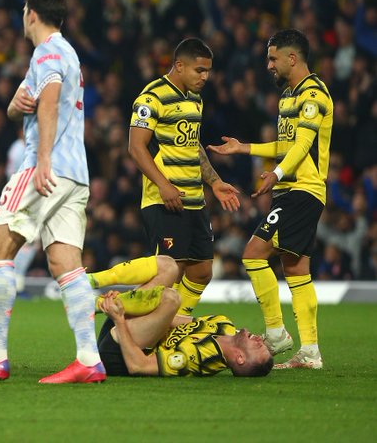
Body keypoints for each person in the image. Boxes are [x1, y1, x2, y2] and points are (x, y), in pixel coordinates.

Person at [0, 0, 103, 384]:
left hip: (43, 168)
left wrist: (43, 159)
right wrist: (14, 107)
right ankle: (88, 358)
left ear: (30, 13)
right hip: (75, 174)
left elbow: (48, 100)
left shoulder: (45, 52)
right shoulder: (67, 53)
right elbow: (27, 104)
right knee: (65, 263)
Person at [207, 28, 333, 370]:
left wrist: (276, 174)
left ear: (292, 58)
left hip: (302, 190)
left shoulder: (313, 93)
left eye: (273, 58)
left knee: (253, 253)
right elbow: (285, 145)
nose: (269, 65)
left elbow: (304, 145)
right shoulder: (288, 96)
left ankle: (276, 333)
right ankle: (310, 351)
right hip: (289, 190)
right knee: (295, 269)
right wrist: (244, 148)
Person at [118, 38, 240, 318]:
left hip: (194, 200)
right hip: (164, 200)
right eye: (199, 70)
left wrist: (214, 181)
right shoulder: (152, 97)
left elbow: (193, 145)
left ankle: (172, 325)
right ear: (179, 65)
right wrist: (164, 185)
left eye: (208, 71)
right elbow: (135, 147)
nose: (205, 77)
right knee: (169, 273)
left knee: (202, 271)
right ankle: (123, 324)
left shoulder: (195, 100)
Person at [96, 284, 273, 378]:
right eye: (262, 343)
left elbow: (138, 366)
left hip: (119, 352)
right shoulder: (223, 323)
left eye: (258, 346)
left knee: (171, 299)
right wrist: (130, 305)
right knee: (167, 267)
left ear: (240, 358)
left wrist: (120, 319)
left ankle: (91, 302)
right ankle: (98, 301)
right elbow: (168, 318)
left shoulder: (199, 358)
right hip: (129, 330)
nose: (259, 339)